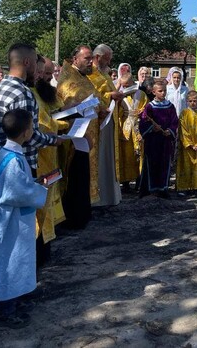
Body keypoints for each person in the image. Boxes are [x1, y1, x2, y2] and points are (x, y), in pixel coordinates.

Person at [0, 43, 59, 268]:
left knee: (2, 224)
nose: (38, 74)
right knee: (19, 229)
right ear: (27, 62)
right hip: (21, 165)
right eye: (36, 68)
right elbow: (29, 134)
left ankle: (0, 275)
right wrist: (55, 140)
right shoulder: (23, 92)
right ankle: (14, 285)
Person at [0, 108, 49, 329]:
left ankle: (16, 300)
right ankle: (4, 312)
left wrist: (33, 183)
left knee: (17, 261)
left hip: (14, 218)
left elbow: (18, 185)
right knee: (9, 262)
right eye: (32, 127)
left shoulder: (8, 152)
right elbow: (16, 192)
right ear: (25, 133)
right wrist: (37, 189)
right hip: (8, 221)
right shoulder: (13, 159)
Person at [30, 55, 70, 262]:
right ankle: (39, 249)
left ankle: (45, 244)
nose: (44, 77)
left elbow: (52, 116)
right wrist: (61, 128)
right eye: (41, 73)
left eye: (47, 74)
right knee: (38, 204)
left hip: (49, 152)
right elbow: (42, 126)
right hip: (38, 155)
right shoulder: (29, 94)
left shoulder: (42, 92)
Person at [55, 45, 98, 228]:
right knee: (74, 176)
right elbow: (64, 107)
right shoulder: (67, 79)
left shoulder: (82, 77)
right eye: (87, 58)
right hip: (73, 137)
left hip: (86, 134)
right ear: (75, 59)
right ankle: (73, 217)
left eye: (91, 58)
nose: (91, 62)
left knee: (82, 175)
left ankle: (82, 213)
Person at [87, 44, 122, 207]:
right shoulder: (90, 74)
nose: (109, 61)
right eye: (107, 58)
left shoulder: (104, 73)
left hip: (109, 119)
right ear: (98, 57)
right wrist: (111, 95)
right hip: (97, 123)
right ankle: (98, 198)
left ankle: (110, 196)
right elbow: (91, 96)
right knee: (99, 158)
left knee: (108, 156)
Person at [138, 80, 179, 198]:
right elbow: (144, 122)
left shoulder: (170, 106)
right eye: (160, 91)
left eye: (165, 91)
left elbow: (174, 121)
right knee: (151, 163)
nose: (163, 93)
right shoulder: (149, 107)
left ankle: (163, 188)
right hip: (153, 141)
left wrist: (170, 130)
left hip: (165, 141)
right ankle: (148, 188)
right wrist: (152, 128)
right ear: (154, 92)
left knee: (164, 163)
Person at [177, 91, 197, 196]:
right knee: (186, 165)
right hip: (187, 147)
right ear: (187, 101)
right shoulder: (184, 113)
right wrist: (189, 144)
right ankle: (184, 187)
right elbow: (183, 129)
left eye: (195, 101)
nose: (192, 103)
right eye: (190, 101)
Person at [116, 63, 142, 191]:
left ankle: (139, 180)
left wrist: (141, 112)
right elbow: (117, 112)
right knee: (125, 156)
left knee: (138, 155)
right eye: (123, 86)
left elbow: (146, 107)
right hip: (125, 129)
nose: (126, 88)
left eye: (128, 86)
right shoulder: (120, 96)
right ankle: (125, 183)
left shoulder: (140, 94)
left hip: (138, 127)